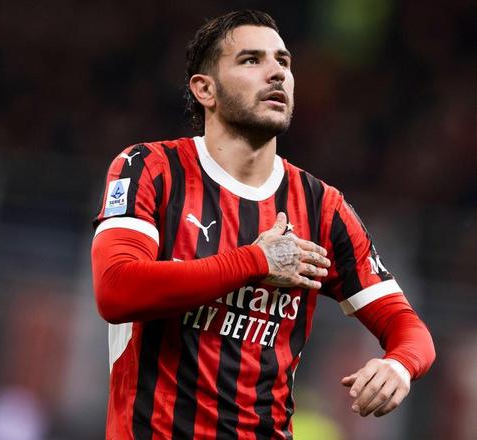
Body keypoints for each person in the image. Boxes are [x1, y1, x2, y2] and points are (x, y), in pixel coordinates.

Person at [90, 10, 435, 440]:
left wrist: (399, 365)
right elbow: (116, 289)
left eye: (283, 62)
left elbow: (408, 328)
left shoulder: (321, 206)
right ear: (205, 89)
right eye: (251, 60)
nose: (276, 73)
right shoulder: (151, 168)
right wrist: (255, 261)